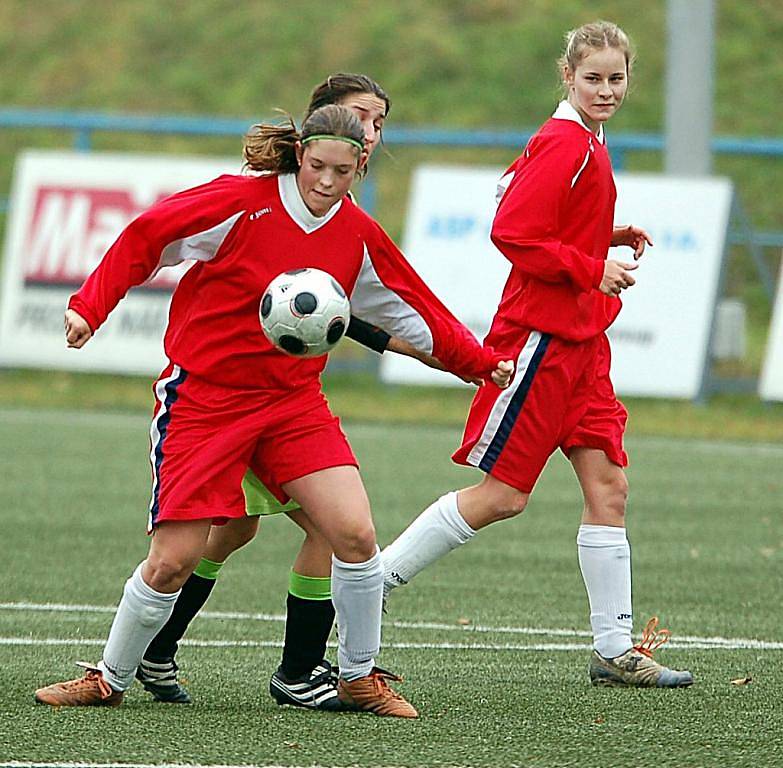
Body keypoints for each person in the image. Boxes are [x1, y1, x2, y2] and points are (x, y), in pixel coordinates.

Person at [33, 104, 513, 717]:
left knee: (355, 533)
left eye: (342, 170)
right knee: (173, 561)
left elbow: (407, 306)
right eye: (316, 166)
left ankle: (358, 678)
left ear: (360, 164)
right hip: (204, 400)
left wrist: (476, 362)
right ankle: (110, 676)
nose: (327, 182)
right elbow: (146, 235)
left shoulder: (358, 233)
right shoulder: (241, 202)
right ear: (299, 155)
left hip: (292, 404)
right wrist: (89, 308)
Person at [133, 74, 480, 711]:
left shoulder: (348, 221)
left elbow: (358, 310)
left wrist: (449, 355)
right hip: (226, 394)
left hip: (284, 397)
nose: (372, 132)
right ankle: (176, 652)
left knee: (320, 529)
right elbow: (325, 301)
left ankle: (295, 666)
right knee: (232, 533)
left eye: (380, 123)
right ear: (315, 133)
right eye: (363, 118)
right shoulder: (272, 196)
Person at [380, 20, 694, 689]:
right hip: (541, 342)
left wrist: (603, 235)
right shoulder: (562, 141)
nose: (606, 89)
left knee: (608, 488)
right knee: (502, 497)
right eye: (593, 78)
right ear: (566, 76)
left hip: (583, 345)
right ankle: (369, 583)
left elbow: (513, 198)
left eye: (616, 78)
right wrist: (590, 265)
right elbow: (510, 228)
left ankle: (613, 651)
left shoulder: (582, 141)